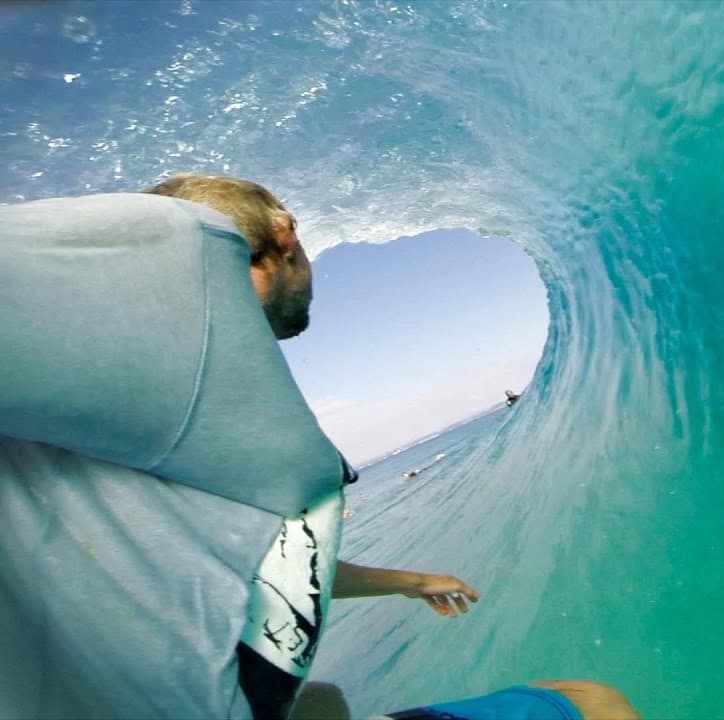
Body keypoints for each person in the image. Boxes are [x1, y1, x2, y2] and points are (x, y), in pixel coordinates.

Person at [0, 175, 636, 720]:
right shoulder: (183, 247)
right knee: (587, 701)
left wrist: (409, 581)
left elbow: (259, 572)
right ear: (285, 233)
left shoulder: (117, 446)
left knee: (323, 701)